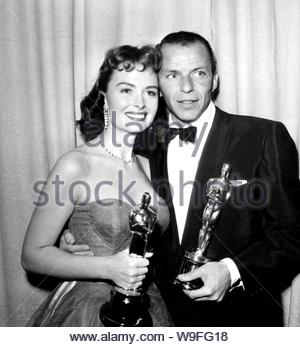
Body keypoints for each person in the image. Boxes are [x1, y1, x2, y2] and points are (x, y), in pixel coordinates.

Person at [61, 31, 300, 326]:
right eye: (172, 75)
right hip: (154, 316)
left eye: (198, 73)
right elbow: (107, 209)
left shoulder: (263, 136)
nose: (186, 87)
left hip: (240, 319)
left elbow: (292, 235)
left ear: (214, 80)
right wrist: (77, 239)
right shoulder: (137, 140)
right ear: (158, 84)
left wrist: (230, 271)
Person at [21, 44, 172, 327]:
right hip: (89, 309)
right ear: (105, 97)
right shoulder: (75, 164)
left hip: (148, 306)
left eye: (150, 92)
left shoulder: (152, 166)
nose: (139, 103)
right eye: (126, 90)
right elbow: (32, 255)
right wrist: (108, 267)